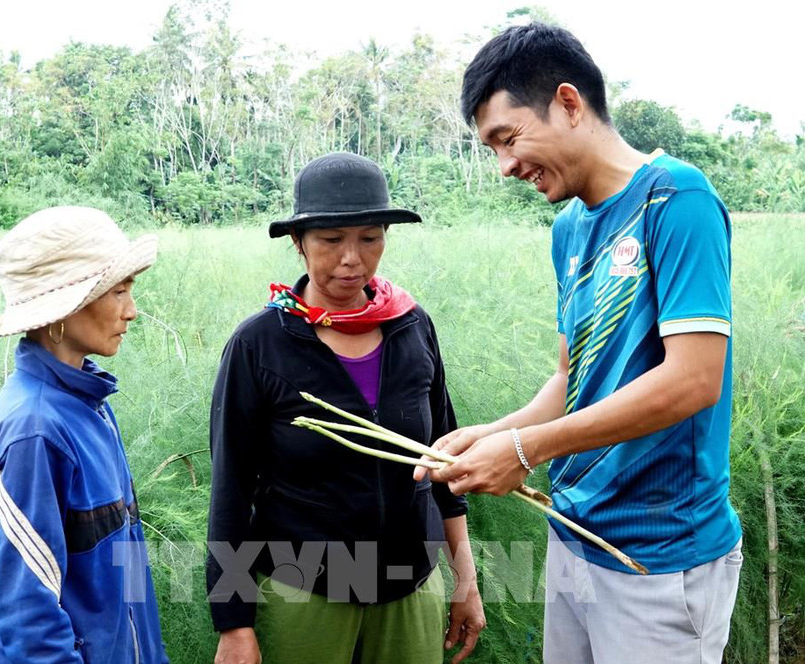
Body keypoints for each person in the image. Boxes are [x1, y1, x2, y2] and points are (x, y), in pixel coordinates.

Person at [416, 23, 743, 664]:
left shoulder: (676, 200)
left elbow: (693, 379)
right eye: (492, 149)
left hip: (658, 556)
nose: (506, 166)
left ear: (569, 103)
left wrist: (523, 449)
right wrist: (491, 434)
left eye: (507, 139)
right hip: (575, 535)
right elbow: (573, 379)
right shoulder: (568, 228)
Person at [207, 152, 485, 664]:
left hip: (409, 585)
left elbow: (445, 462)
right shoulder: (260, 344)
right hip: (302, 591)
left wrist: (465, 580)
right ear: (299, 243)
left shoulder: (412, 326)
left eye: (370, 237)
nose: (351, 258)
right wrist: (234, 623)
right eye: (331, 240)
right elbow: (230, 490)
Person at [0, 206, 169, 664]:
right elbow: (27, 615)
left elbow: (125, 567)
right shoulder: (36, 429)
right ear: (64, 308)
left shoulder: (89, 404)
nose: (131, 311)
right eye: (118, 291)